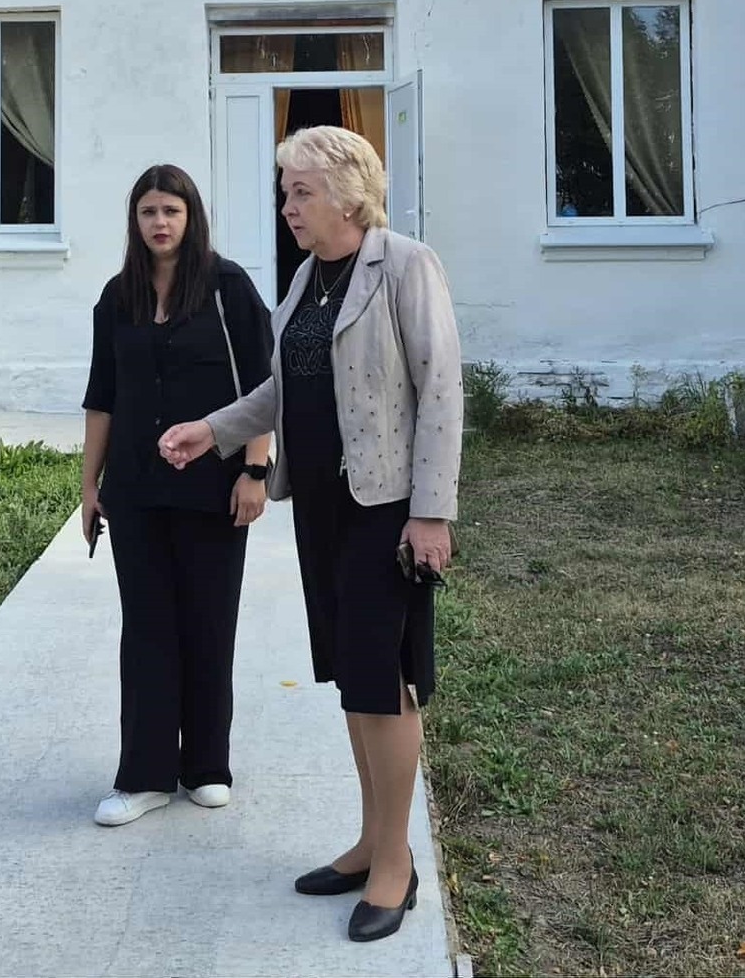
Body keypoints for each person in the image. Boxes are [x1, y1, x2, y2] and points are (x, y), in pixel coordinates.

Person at [159, 126, 462, 945]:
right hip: (322, 508)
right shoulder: (307, 278)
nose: (288, 206)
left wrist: (431, 512)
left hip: (385, 509)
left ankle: (395, 862)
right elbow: (285, 389)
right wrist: (213, 431)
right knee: (352, 680)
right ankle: (370, 840)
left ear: (350, 195)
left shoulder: (404, 265)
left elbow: (441, 389)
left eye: (303, 191)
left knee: (382, 682)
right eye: (285, 191)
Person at [80, 164, 274, 828]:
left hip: (214, 486)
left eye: (171, 210)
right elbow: (102, 397)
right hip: (135, 489)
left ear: (191, 217)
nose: (159, 223)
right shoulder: (118, 296)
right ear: (134, 221)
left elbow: (264, 386)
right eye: (148, 212)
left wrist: (255, 472)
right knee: (147, 627)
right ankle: (145, 776)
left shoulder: (227, 288)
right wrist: (89, 487)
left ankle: (207, 766)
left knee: (209, 621)